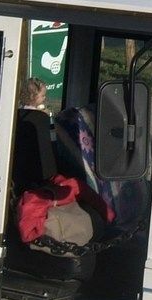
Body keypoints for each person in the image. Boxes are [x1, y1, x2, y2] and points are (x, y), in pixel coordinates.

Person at [11, 78, 101, 255]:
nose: (45, 98)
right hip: (39, 178)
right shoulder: (40, 119)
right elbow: (46, 155)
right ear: (33, 97)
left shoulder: (14, 117)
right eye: (43, 95)